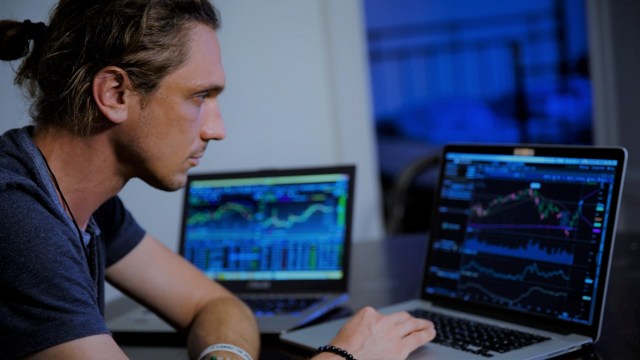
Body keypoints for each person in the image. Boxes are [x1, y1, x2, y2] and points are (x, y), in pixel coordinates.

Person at [0, 1, 436, 359]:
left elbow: (216, 303)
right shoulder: (16, 216)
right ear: (115, 94)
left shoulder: (90, 205)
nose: (216, 129)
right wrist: (346, 358)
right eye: (200, 96)